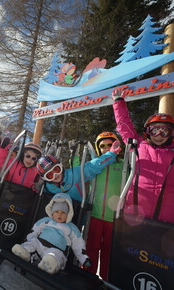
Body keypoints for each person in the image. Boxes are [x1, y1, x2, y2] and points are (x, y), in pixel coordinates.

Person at [112, 89, 174, 223]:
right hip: (136, 212)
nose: (159, 136)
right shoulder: (139, 145)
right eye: (155, 130)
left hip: (167, 218)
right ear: (147, 132)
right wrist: (119, 104)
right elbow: (124, 127)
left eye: (165, 131)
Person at [12, 193, 91, 275]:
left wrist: (84, 260)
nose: (59, 214)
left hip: (56, 250)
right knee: (33, 242)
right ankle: (25, 252)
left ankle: (49, 264)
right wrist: (28, 239)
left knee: (55, 255)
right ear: (52, 212)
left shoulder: (71, 228)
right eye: (57, 211)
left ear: (68, 215)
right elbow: (35, 230)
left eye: (63, 212)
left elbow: (78, 245)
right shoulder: (46, 220)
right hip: (40, 245)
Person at [86, 132, 124, 281]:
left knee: (109, 250)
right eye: (103, 146)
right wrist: (75, 156)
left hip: (113, 216)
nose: (107, 148)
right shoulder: (96, 164)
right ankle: (88, 276)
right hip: (95, 214)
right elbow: (79, 168)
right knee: (92, 247)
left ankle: (106, 278)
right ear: (98, 148)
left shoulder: (122, 165)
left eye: (110, 144)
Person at [36, 140, 122, 202]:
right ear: (46, 179)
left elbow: (92, 166)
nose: (55, 175)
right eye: (50, 175)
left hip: (78, 211)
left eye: (56, 169)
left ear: (61, 166)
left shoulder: (72, 174)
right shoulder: (47, 187)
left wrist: (111, 154)